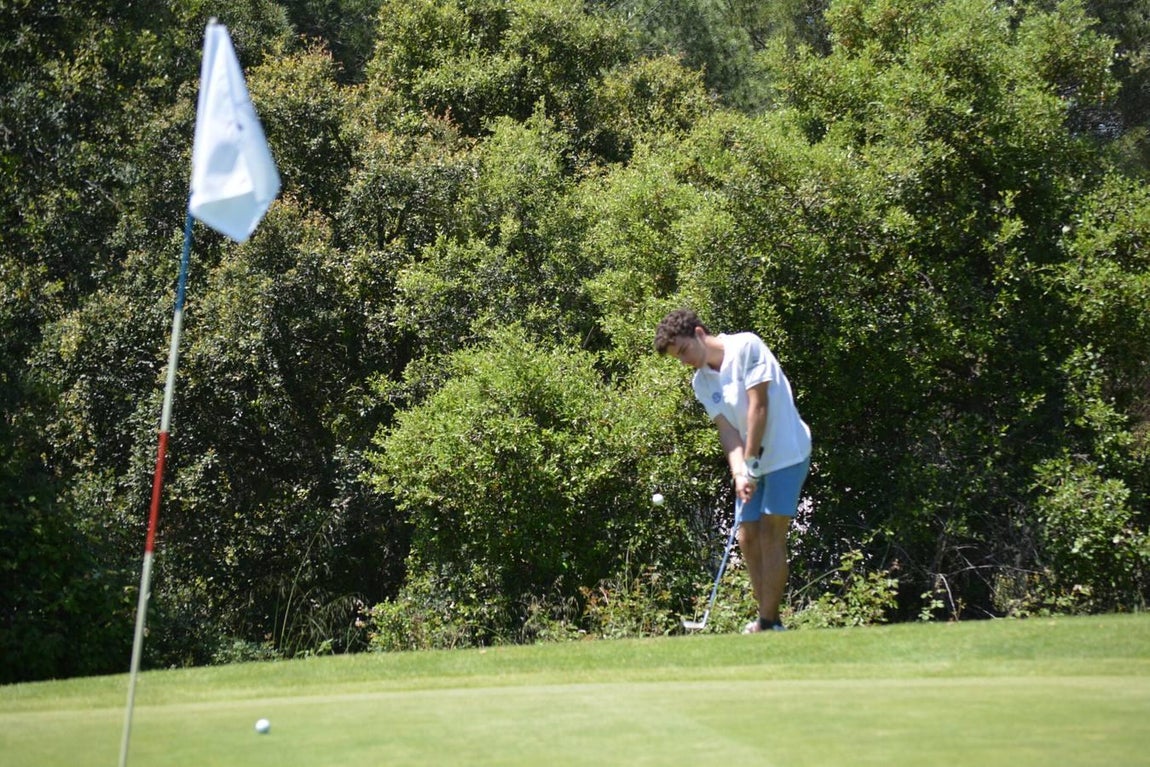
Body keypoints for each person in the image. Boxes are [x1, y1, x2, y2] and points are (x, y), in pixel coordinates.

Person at [654, 308, 811, 633]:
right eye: (676, 358)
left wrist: (750, 461)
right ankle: (768, 617)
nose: (683, 361)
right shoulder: (701, 382)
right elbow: (727, 431)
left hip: (786, 453)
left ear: (699, 333)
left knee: (770, 533)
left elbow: (759, 406)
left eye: (683, 351)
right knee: (746, 536)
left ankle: (768, 622)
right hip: (752, 463)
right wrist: (740, 471)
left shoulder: (747, 347)